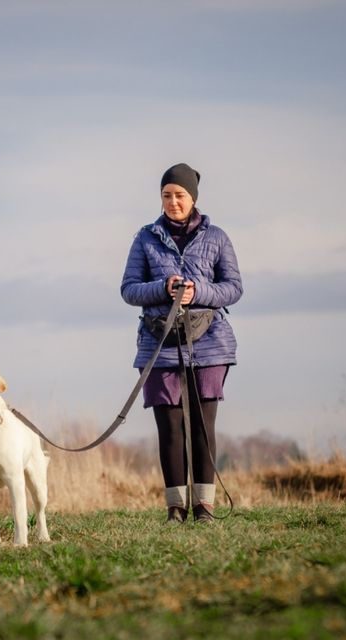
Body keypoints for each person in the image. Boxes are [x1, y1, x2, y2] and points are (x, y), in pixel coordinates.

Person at [120, 163, 243, 524]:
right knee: (169, 429)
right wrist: (163, 288)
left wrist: (197, 292)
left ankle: (204, 507)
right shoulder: (144, 238)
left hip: (210, 344)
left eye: (179, 196)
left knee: (203, 427)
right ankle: (175, 508)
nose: (173, 202)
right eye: (166, 195)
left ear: (193, 199)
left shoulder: (218, 237)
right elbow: (128, 289)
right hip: (158, 344)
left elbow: (234, 288)